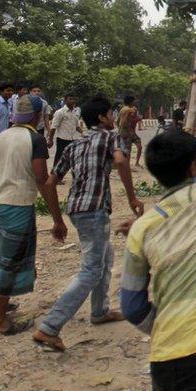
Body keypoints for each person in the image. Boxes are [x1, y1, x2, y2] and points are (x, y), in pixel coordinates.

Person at [120, 131, 196, 391]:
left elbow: (131, 307)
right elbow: (187, 203)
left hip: (165, 359)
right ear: (195, 164)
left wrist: (166, 325)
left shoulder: (143, 229)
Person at [31, 96, 145, 351]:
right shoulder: (110, 137)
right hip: (94, 210)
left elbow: (50, 183)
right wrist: (132, 197)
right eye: (110, 114)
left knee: (106, 256)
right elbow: (119, 161)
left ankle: (100, 310)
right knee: (92, 269)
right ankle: (50, 327)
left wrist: (57, 220)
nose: (113, 118)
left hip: (76, 209)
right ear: (103, 118)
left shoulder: (74, 145)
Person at [0, 95, 48, 335]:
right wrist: (57, 217)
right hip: (17, 206)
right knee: (12, 261)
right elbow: (41, 179)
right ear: (38, 116)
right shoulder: (35, 140)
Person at [48, 94, 84, 169]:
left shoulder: (75, 112)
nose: (72, 101)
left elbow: (76, 126)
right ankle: (54, 175)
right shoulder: (60, 112)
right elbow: (53, 127)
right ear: (65, 101)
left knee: (70, 159)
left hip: (72, 139)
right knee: (59, 158)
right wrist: (50, 140)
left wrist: (83, 133)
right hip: (62, 139)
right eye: (70, 99)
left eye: (73, 99)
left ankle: (61, 176)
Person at [117, 95, 143, 167]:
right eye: (133, 101)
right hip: (127, 132)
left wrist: (120, 129)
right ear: (131, 102)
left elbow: (118, 121)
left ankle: (129, 164)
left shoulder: (122, 109)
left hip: (122, 131)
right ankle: (127, 166)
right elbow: (125, 122)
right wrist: (129, 131)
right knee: (128, 149)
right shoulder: (129, 110)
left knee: (124, 149)